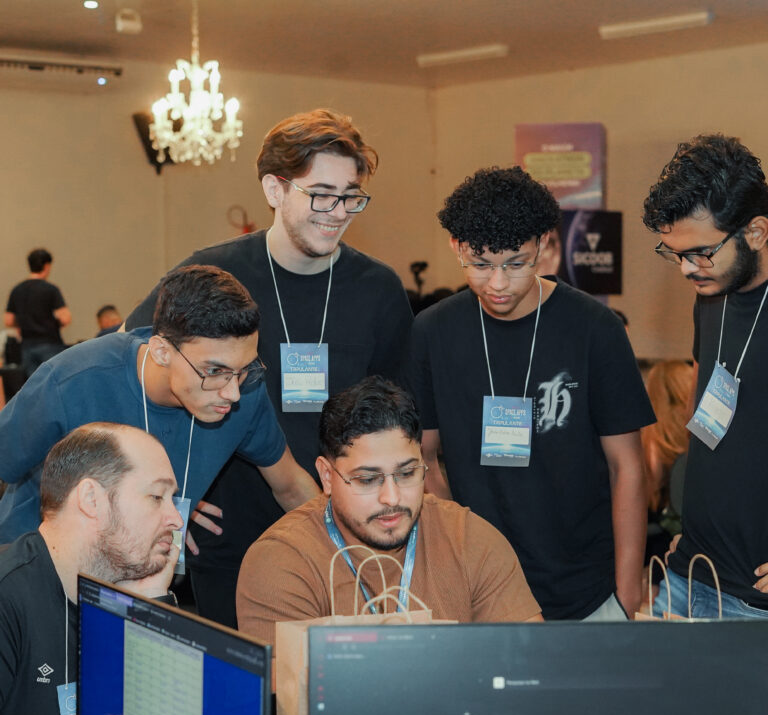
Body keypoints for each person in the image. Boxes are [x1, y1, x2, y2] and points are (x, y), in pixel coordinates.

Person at [125, 108, 412, 626]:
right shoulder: (213, 272)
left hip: (341, 536)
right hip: (227, 534)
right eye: (320, 193)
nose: (337, 211)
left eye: (350, 196)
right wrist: (166, 489)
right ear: (275, 189)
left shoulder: (379, 290)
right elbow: (132, 368)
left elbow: (395, 419)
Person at [401, 166, 655, 620]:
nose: (498, 283)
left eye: (516, 264)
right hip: (480, 591)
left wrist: (628, 592)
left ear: (543, 244)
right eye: (481, 264)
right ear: (456, 247)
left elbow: (628, 467)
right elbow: (424, 459)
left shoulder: (595, 328)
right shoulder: (432, 331)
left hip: (586, 589)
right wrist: (460, 558)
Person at [0, 265, 319, 623]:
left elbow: (291, 485)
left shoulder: (244, 391)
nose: (232, 392)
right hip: (37, 580)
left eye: (244, 369)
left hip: (135, 583)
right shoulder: (74, 380)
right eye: (214, 372)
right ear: (162, 352)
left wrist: (344, 555)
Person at [236, 376, 542, 648]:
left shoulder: (470, 540)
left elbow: (529, 666)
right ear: (327, 476)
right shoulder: (281, 561)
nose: (392, 498)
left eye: (407, 474)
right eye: (367, 479)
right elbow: (290, 690)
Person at [0, 422, 183, 715]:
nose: (176, 519)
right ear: (91, 500)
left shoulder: (129, 590)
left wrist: (148, 608)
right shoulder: (7, 594)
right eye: (157, 497)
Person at [643, 134, 768, 618]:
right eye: (675, 253)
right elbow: (703, 423)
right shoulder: (712, 294)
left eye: (701, 252)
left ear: (756, 231)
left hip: (752, 601)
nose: (686, 269)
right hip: (687, 573)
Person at [4, 248, 71, 378]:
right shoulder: (50, 289)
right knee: (54, 379)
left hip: (26, 346)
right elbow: (65, 318)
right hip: (50, 343)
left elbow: (8, 320)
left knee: (34, 382)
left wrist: (24, 322)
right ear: (46, 266)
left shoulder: (17, 290)